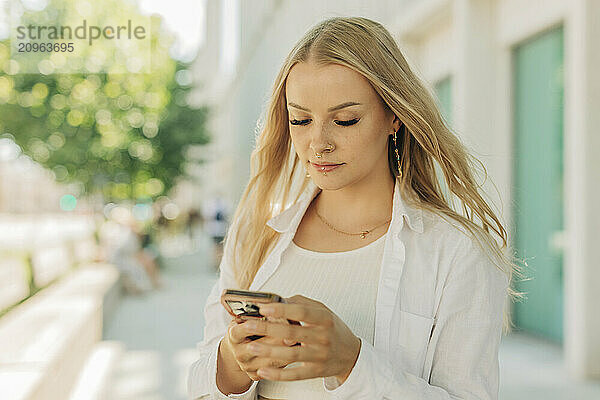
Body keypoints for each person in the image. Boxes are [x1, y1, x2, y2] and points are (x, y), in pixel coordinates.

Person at [188, 16, 524, 400]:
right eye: (300, 119)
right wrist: (231, 363)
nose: (319, 142)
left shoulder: (456, 251)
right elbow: (200, 381)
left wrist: (351, 363)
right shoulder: (255, 234)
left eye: (345, 120)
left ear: (394, 114)